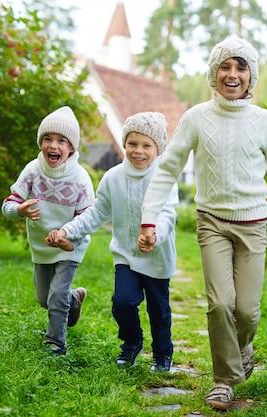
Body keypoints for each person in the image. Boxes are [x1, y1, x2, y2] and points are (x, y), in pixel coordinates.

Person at [137, 37, 267, 411]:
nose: (233, 74)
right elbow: (167, 169)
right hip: (212, 222)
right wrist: (149, 218)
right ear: (214, 73)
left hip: (252, 225)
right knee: (220, 304)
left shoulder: (263, 120)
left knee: (246, 310)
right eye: (225, 67)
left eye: (241, 67)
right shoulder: (196, 117)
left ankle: (243, 346)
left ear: (252, 76)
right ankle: (224, 381)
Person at [45, 112, 178, 371]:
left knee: (158, 311)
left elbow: (167, 213)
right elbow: (95, 213)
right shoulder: (113, 177)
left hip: (157, 257)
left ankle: (163, 353)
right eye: (132, 143)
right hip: (126, 255)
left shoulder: (164, 177)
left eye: (146, 145)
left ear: (158, 148)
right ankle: (131, 343)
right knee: (122, 303)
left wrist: (155, 235)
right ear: (124, 144)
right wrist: (67, 231)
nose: (138, 151)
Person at [1, 106, 95, 356]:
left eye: (61, 141)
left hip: (69, 244)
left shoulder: (80, 177)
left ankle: (55, 343)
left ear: (71, 148)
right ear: (40, 142)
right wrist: (19, 210)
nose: (53, 145)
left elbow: (88, 216)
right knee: (44, 298)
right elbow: (8, 203)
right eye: (48, 139)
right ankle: (74, 299)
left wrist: (66, 236)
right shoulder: (33, 170)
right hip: (41, 244)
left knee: (56, 296)